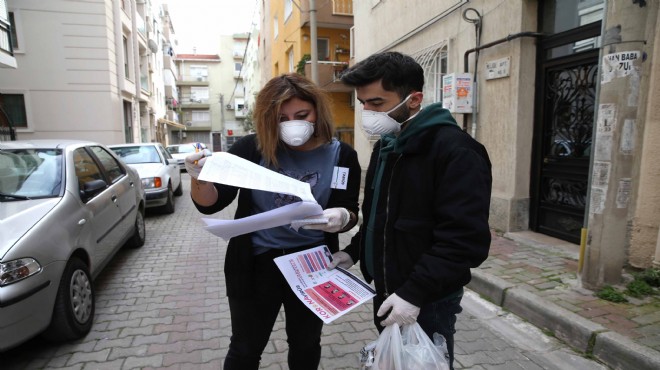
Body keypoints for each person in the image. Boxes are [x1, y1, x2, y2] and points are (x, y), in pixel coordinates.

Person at [184, 73, 361, 370]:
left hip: (313, 265)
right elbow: (214, 202)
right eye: (282, 118)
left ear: (317, 110)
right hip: (256, 263)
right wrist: (198, 179)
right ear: (269, 119)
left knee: (305, 344)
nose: (293, 123)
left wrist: (342, 217)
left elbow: (348, 210)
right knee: (245, 348)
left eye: (302, 115)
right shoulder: (252, 149)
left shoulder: (342, 155)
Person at [331, 51, 492, 369]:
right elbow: (381, 215)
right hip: (388, 291)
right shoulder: (387, 146)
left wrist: (414, 294)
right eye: (362, 103)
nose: (367, 113)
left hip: (428, 300)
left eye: (376, 103)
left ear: (414, 99)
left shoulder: (457, 151)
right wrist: (353, 251)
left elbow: (464, 240)